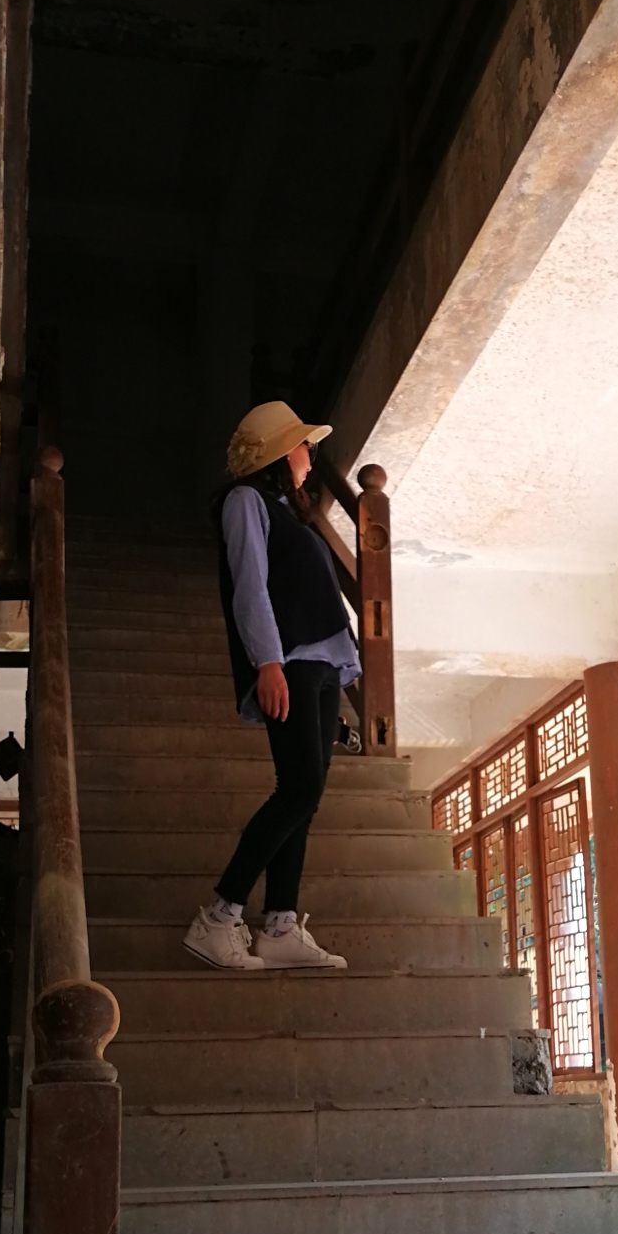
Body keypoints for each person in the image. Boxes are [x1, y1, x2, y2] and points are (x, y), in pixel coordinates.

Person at [182, 400, 361, 971]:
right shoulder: (246, 501)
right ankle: (219, 917)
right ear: (281, 453)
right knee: (299, 789)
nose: (310, 453)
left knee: (305, 796)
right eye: (303, 444)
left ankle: (281, 925)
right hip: (290, 662)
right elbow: (250, 585)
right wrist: (267, 663)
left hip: (320, 667)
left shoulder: (287, 509)